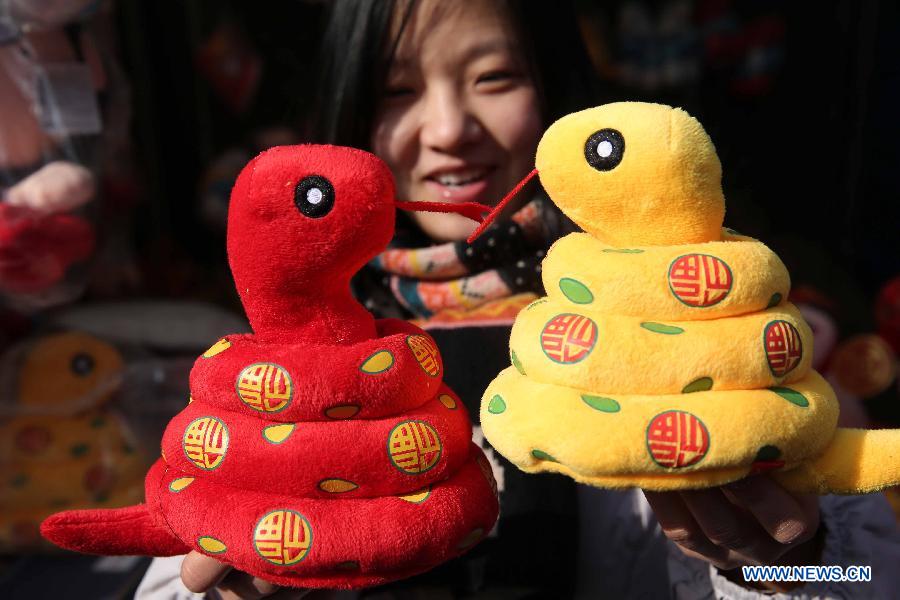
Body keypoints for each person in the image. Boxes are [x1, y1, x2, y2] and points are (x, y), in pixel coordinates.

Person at [137, 1, 900, 598]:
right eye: (396, 90)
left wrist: (786, 568)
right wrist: (228, 590)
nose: (448, 130)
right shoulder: (285, 365)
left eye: (494, 77)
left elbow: (871, 581)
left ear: (558, 93)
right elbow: (169, 580)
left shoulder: (714, 327)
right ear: (348, 116)